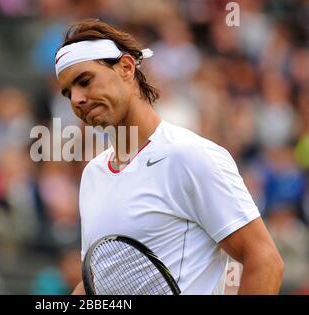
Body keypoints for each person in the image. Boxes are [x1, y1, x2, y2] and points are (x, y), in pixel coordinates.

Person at [54, 18, 284, 295]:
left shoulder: (190, 156)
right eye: (68, 92)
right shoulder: (93, 174)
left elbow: (264, 260)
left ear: (126, 67)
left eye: (85, 80)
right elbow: (98, 281)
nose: (77, 99)